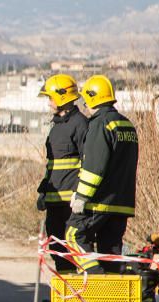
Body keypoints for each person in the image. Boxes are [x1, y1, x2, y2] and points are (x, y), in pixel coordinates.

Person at [66, 75, 139, 273]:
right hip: (121, 203)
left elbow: (94, 168)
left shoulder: (100, 124)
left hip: (99, 202)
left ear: (92, 98)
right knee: (110, 252)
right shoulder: (126, 125)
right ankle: (112, 298)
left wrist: (81, 196)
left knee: (73, 236)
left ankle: (96, 279)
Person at [37, 74, 89, 275]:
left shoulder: (80, 125)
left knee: (73, 250)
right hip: (54, 202)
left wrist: (82, 195)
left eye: (50, 97)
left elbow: (89, 163)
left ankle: (76, 296)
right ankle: (65, 296)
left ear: (62, 97)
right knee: (57, 250)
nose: (49, 103)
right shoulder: (56, 126)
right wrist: (43, 192)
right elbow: (52, 165)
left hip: (72, 203)